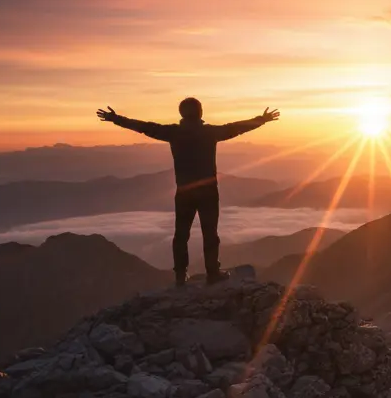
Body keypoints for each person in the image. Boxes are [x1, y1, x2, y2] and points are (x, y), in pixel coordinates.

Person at [97, 98, 279, 285]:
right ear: (200, 112)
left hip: (184, 192)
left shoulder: (173, 133)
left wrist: (116, 119)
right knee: (210, 233)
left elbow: (144, 127)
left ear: (181, 113)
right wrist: (261, 119)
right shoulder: (209, 133)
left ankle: (180, 276)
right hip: (208, 192)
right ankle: (213, 273)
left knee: (181, 234)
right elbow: (236, 128)